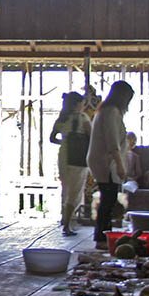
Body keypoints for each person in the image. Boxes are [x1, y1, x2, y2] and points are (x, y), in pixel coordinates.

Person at [89, 81, 134, 249]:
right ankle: (102, 238)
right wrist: (121, 166)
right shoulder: (111, 112)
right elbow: (113, 143)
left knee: (108, 201)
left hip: (105, 161)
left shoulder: (106, 111)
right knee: (107, 201)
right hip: (107, 163)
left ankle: (103, 236)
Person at [49, 92, 90, 237]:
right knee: (76, 191)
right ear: (77, 104)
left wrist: (66, 141)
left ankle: (64, 219)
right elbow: (91, 137)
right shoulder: (83, 118)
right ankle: (67, 224)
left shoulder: (61, 119)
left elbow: (52, 138)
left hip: (64, 156)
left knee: (66, 188)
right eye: (82, 103)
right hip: (78, 158)